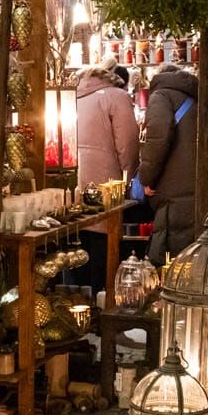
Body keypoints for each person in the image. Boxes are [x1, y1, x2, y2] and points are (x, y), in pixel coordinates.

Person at [75, 58, 139, 290]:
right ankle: (103, 302)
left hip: (74, 182)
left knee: (77, 244)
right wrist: (129, 178)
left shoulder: (75, 95)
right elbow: (128, 146)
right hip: (105, 183)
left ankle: (78, 302)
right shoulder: (117, 97)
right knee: (103, 248)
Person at [138, 67, 199, 265]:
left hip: (171, 193)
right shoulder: (195, 97)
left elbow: (157, 138)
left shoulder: (161, 96)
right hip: (194, 188)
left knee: (170, 264)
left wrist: (146, 179)